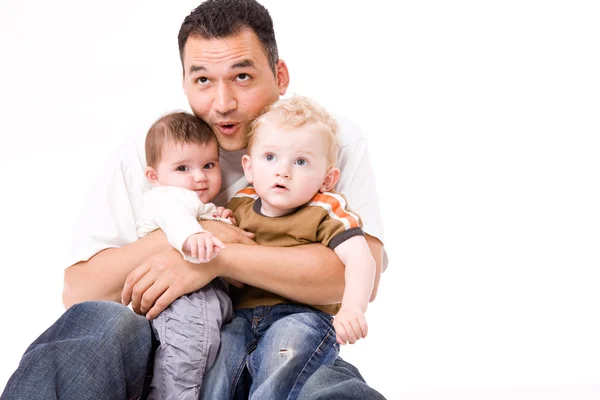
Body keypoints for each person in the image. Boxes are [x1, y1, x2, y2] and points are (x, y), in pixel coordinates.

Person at [0, 1, 387, 399]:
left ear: (280, 74)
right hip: (162, 344)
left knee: (324, 385)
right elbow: (80, 290)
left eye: (242, 76)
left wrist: (212, 259)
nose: (222, 103)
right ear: (184, 82)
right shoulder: (156, 144)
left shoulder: (319, 138)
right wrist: (189, 236)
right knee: (98, 323)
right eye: (203, 80)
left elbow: (355, 276)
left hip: (278, 338)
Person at [199, 94, 376, 399]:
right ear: (250, 167)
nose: (283, 171)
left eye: (301, 161)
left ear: (328, 178)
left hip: (300, 316)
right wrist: (217, 221)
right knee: (217, 364)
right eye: (270, 157)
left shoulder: (325, 209)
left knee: (286, 351)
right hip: (239, 318)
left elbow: (362, 257)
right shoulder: (240, 204)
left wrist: (352, 308)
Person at [136, 111, 235, 399]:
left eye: (208, 165)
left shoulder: (197, 204)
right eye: (183, 168)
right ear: (155, 177)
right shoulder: (165, 197)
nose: (199, 177)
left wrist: (220, 219)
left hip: (208, 296)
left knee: (204, 363)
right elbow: (175, 217)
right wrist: (194, 235)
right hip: (185, 300)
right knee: (184, 362)